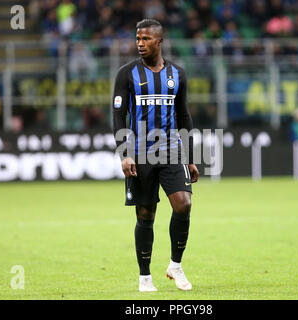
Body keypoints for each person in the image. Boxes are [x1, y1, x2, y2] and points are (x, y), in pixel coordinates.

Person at [112, 19, 199, 292]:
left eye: (146, 38)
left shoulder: (177, 74)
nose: (140, 43)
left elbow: (184, 116)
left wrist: (190, 156)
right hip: (140, 155)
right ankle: (145, 277)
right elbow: (118, 115)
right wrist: (124, 154)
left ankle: (175, 264)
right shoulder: (126, 74)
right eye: (138, 38)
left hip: (172, 151)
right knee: (146, 214)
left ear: (159, 42)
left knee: (183, 203)